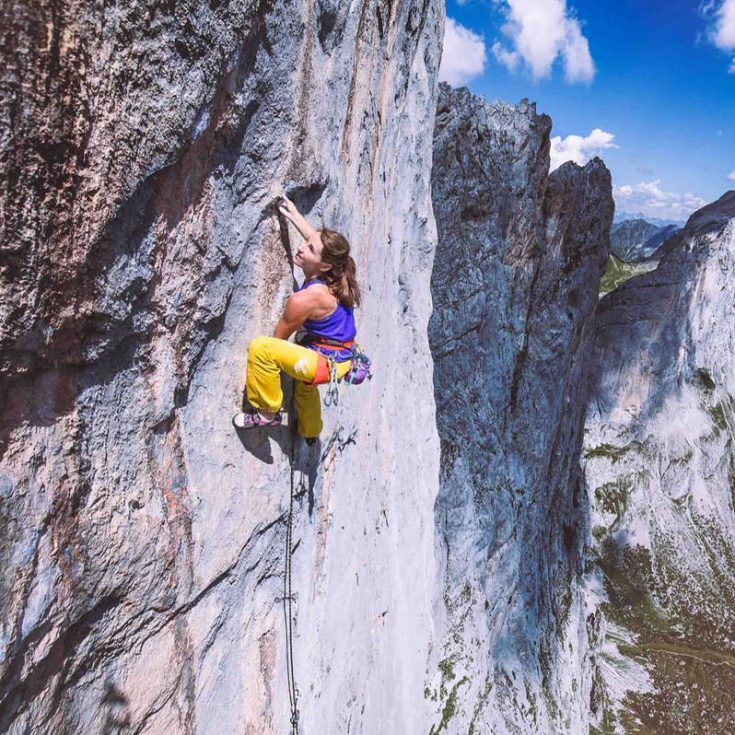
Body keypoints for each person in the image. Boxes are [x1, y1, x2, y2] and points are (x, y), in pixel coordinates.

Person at [233, 194, 361, 440]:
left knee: (261, 348)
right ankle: (311, 433)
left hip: (324, 361)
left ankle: (267, 414)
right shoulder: (336, 269)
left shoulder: (304, 300)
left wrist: (266, 376)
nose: (302, 247)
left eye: (309, 249)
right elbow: (318, 243)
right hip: (341, 356)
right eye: (306, 242)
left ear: (323, 266)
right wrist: (294, 215)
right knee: (306, 387)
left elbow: (277, 341)